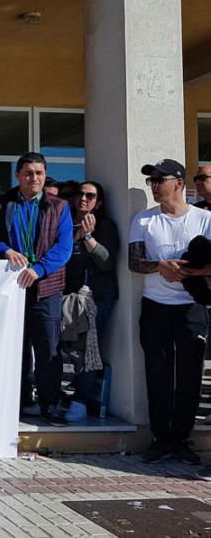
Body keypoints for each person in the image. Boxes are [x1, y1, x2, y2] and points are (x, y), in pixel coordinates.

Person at [0, 152, 73, 426]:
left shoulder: (59, 206)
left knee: (48, 350)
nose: (34, 178)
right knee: (13, 348)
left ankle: (50, 404)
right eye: (28, 173)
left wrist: (39, 269)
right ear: (18, 175)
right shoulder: (2, 203)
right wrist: (5, 250)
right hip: (11, 287)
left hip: (46, 288)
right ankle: (14, 405)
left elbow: (64, 247)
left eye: (39, 173)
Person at [129, 159, 211, 464]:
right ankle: (161, 438)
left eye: (158, 180)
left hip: (191, 308)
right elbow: (134, 263)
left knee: (190, 376)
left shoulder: (204, 219)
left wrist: (189, 273)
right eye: (151, 181)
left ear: (178, 183)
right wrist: (161, 266)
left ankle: (181, 438)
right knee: (158, 374)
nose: (153, 186)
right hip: (156, 307)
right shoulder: (143, 220)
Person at [60, 180, 119, 423]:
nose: (83, 199)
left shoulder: (105, 226)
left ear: (99, 201)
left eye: (90, 195)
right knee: (64, 349)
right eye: (79, 194)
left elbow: (106, 262)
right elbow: (62, 258)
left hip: (97, 297)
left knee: (88, 349)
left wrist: (89, 238)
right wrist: (76, 235)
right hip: (68, 296)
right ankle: (59, 395)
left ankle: (80, 401)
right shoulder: (65, 224)